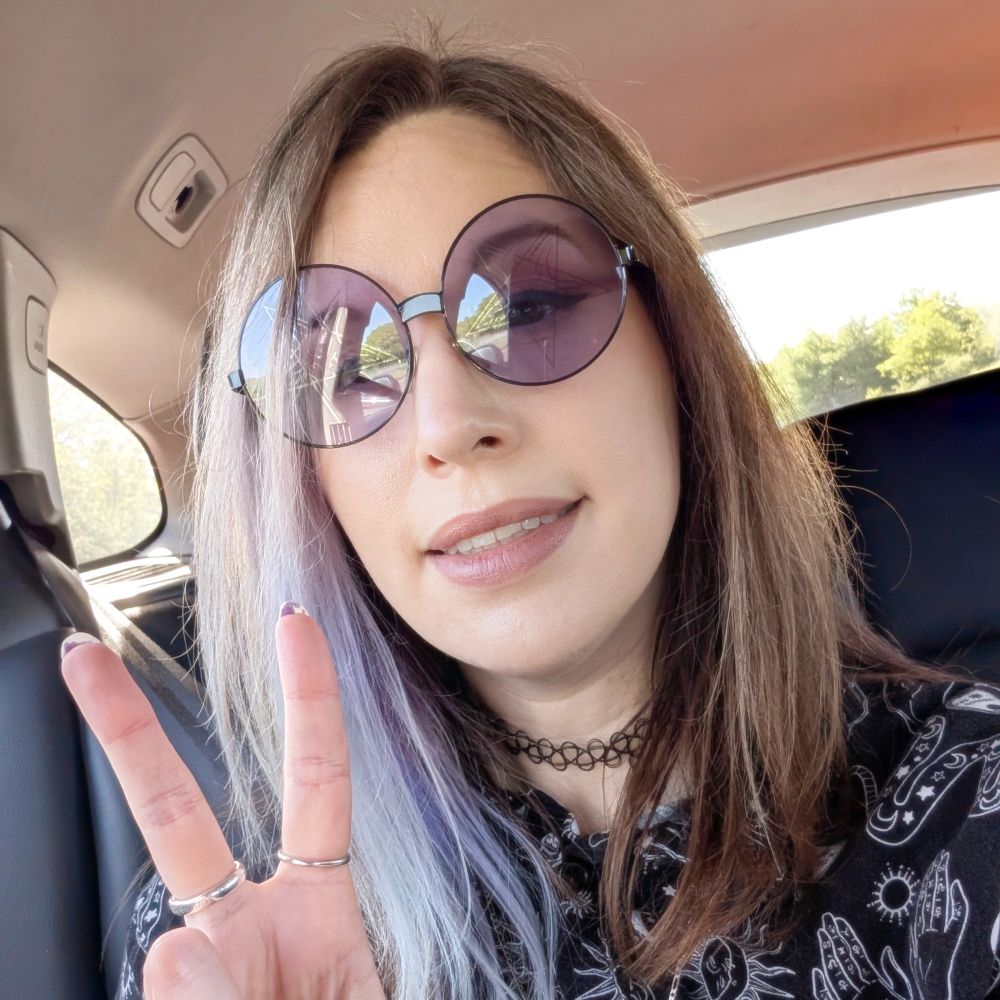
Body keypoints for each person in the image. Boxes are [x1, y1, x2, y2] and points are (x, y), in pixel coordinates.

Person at [59, 29, 1000, 1000]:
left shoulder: (964, 805)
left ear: (673, 346)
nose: (450, 424)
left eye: (530, 304)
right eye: (348, 368)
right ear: (307, 485)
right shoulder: (228, 936)